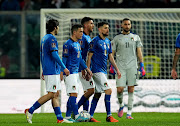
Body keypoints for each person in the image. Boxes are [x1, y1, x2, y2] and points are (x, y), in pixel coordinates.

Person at [24, 19, 72, 124]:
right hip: (51, 70)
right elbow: (54, 55)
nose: (58, 28)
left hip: (49, 69)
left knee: (55, 94)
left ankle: (59, 119)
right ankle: (30, 110)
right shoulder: (52, 39)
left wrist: (43, 69)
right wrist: (64, 67)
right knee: (51, 94)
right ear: (55, 27)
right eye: (58, 26)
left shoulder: (44, 38)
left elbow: (42, 55)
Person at [111, 18, 145, 119]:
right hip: (120, 66)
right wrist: (111, 65)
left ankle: (129, 112)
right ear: (121, 25)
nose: (127, 26)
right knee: (120, 89)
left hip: (132, 66)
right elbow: (111, 53)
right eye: (125, 24)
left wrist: (142, 65)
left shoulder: (136, 37)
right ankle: (121, 105)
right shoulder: (116, 38)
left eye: (128, 24)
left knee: (131, 88)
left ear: (131, 25)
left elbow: (139, 52)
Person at [87, 22, 121, 122]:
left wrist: (117, 69)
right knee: (108, 91)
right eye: (105, 28)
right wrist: (88, 69)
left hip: (103, 71)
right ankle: (109, 116)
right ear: (100, 29)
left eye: (108, 28)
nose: (107, 30)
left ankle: (90, 116)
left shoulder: (108, 42)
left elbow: (110, 57)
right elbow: (89, 56)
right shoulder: (95, 41)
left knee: (98, 94)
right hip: (96, 71)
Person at [61, 24, 93, 122]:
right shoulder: (68, 44)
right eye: (80, 32)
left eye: (82, 32)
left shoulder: (78, 44)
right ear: (74, 32)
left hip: (76, 72)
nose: (82, 34)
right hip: (69, 72)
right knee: (73, 94)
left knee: (73, 94)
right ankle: (76, 115)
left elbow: (80, 60)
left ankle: (67, 117)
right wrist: (63, 71)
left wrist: (87, 69)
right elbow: (64, 59)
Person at [77, 17, 95, 113]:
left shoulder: (88, 37)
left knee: (87, 91)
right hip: (82, 68)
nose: (93, 25)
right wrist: (84, 68)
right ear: (85, 25)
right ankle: (75, 109)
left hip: (86, 68)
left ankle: (85, 113)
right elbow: (79, 54)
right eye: (91, 23)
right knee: (91, 90)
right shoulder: (82, 37)